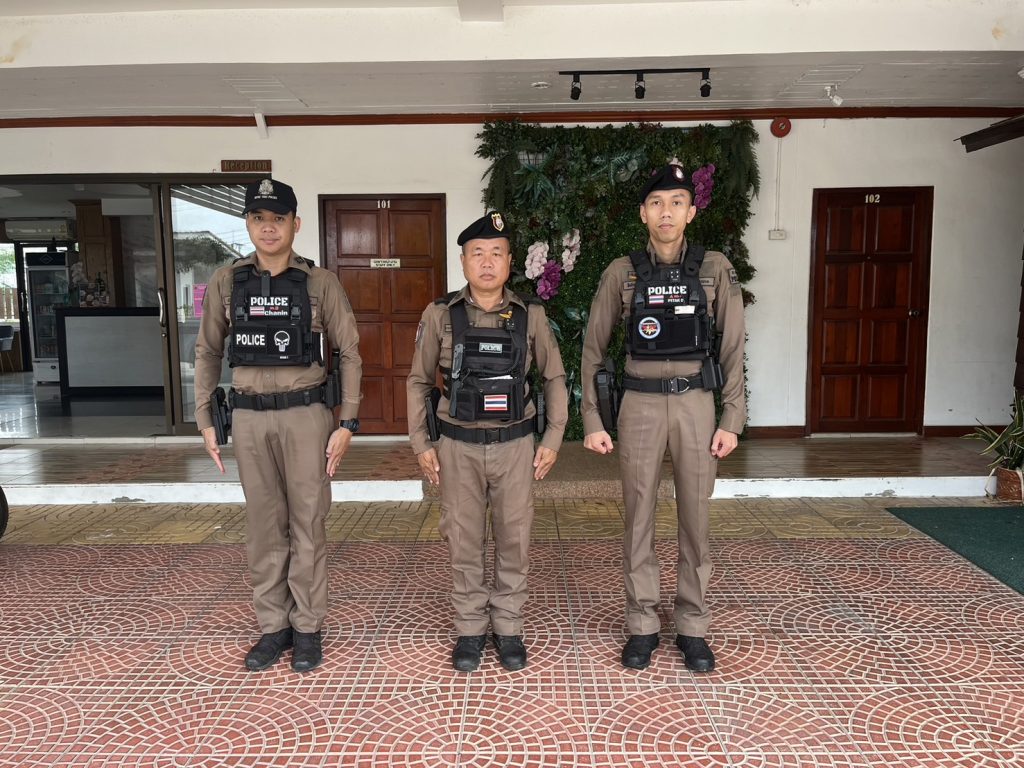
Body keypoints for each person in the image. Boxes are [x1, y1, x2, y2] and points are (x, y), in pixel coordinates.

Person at [581, 164, 746, 672]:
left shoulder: (714, 268)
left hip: (696, 403)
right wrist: (592, 418)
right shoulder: (622, 272)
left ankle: (693, 625)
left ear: (691, 212)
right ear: (643, 214)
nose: (666, 212)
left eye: (676, 202)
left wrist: (732, 417)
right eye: (656, 203)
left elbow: (733, 346)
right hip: (640, 406)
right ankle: (642, 624)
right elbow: (593, 348)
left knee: (696, 518)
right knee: (638, 518)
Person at [194, 177, 362, 673]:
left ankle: (307, 626)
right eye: (258, 219)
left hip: (305, 416)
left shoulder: (320, 282)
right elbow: (207, 350)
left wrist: (347, 422)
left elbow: (350, 352)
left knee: (307, 522)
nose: (268, 228)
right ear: (248, 224)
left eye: (278, 219)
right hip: (248, 416)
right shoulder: (227, 281)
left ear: (295, 224)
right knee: (264, 526)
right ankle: (273, 626)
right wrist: (205, 417)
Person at [407, 211, 568, 672]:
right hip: (457, 446)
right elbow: (419, 381)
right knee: (463, 538)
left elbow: (554, 377)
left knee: (515, 537)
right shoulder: (440, 314)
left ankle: (509, 626)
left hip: (515, 446)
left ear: (510, 261)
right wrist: (421, 443)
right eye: (477, 253)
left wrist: (553, 437)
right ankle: (471, 629)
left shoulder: (531, 315)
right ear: (463, 261)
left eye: (496, 253)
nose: (487, 262)